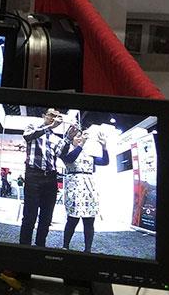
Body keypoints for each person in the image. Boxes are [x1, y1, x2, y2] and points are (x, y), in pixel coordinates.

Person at [19, 108, 68, 246]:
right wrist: (49, 127)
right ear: (44, 116)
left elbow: (62, 154)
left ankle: (40, 245)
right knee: (30, 215)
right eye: (51, 115)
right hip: (33, 175)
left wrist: (69, 139)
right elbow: (27, 137)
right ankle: (24, 246)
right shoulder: (33, 127)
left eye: (57, 116)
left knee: (46, 217)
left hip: (51, 177)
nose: (54, 118)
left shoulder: (55, 138)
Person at [59, 124, 111, 253]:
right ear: (71, 138)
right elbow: (70, 159)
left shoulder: (88, 154)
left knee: (89, 220)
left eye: (81, 136)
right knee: (72, 219)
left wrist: (104, 147)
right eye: (77, 136)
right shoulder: (67, 151)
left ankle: (88, 250)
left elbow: (105, 161)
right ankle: (65, 246)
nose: (80, 138)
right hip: (74, 189)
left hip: (89, 190)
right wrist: (82, 144)